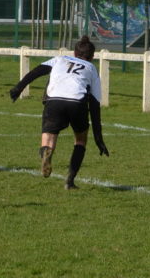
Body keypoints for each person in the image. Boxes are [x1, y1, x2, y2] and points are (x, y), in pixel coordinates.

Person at [9, 36, 108, 190]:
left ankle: (46, 153)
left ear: (74, 53)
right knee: (80, 140)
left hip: (54, 101)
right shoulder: (91, 68)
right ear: (92, 56)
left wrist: (18, 88)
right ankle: (70, 182)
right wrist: (98, 137)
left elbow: (36, 72)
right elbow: (94, 105)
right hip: (77, 102)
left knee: (48, 138)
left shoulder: (59, 59)